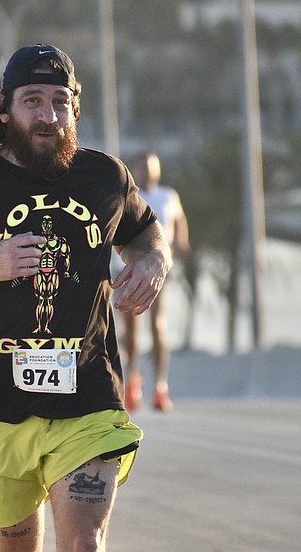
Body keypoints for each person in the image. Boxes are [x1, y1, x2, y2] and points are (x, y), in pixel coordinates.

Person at [0, 44, 171, 551]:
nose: (48, 115)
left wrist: (153, 262)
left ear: (76, 109)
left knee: (84, 542)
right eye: (33, 100)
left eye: (60, 101)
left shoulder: (104, 177)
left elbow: (147, 233)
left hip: (87, 398)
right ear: (5, 110)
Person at [121, 152, 191, 413]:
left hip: (159, 271)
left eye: (152, 169)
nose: (147, 173)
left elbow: (179, 220)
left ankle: (161, 386)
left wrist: (182, 241)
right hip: (127, 269)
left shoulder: (168, 196)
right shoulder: (130, 196)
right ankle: (132, 378)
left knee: (158, 325)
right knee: (130, 331)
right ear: (136, 171)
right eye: (143, 168)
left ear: (158, 171)